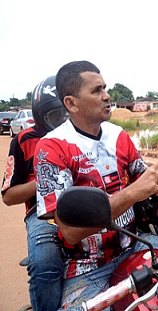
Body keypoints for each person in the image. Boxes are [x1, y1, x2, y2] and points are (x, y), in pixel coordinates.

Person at [33, 60, 158, 310]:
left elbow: (145, 186)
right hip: (87, 266)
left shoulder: (118, 136)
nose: (107, 96)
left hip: (134, 242)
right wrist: (132, 193)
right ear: (71, 103)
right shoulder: (52, 147)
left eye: (105, 88)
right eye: (96, 91)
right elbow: (70, 231)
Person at [1, 75, 68, 311]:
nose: (62, 122)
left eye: (66, 114)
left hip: (86, 207)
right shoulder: (23, 141)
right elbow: (8, 196)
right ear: (40, 116)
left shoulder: (84, 133)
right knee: (45, 265)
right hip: (43, 213)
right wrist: (46, 180)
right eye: (55, 116)